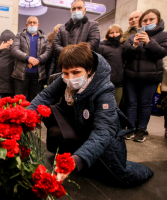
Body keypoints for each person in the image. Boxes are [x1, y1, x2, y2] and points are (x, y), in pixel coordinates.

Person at [28, 42, 153, 188]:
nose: (70, 78)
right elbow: (46, 95)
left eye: (76, 72)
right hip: (82, 126)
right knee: (56, 131)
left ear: (89, 69)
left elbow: (104, 131)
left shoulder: (105, 90)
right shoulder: (65, 79)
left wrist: (76, 160)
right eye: (66, 73)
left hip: (103, 138)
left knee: (116, 175)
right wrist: (26, 116)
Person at [123, 9, 167, 142]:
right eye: (145, 20)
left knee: (145, 104)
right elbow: (124, 54)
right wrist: (134, 45)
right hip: (131, 77)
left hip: (150, 78)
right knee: (131, 103)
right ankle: (130, 128)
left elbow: (161, 53)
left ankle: (141, 130)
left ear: (158, 20)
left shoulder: (163, 36)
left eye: (151, 19)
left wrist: (149, 42)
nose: (148, 22)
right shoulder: (132, 36)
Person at [11, 16, 51, 102]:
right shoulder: (19, 36)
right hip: (21, 75)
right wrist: (27, 58)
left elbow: (48, 52)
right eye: (30, 22)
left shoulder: (44, 38)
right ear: (26, 24)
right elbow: (14, 50)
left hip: (38, 76)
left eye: (34, 22)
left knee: (34, 101)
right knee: (18, 102)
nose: (32, 24)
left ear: (38, 25)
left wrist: (39, 60)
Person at [97, 24, 124, 107]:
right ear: (107, 35)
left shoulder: (122, 47)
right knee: (105, 106)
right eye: (112, 33)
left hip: (119, 83)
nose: (114, 35)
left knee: (116, 106)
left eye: (117, 32)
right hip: (106, 82)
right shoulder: (102, 47)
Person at [0, 30, 16, 99]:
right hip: (10, 72)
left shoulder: (0, 42)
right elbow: (19, 54)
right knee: (9, 102)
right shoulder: (14, 44)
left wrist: (0, 48)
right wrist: (14, 44)